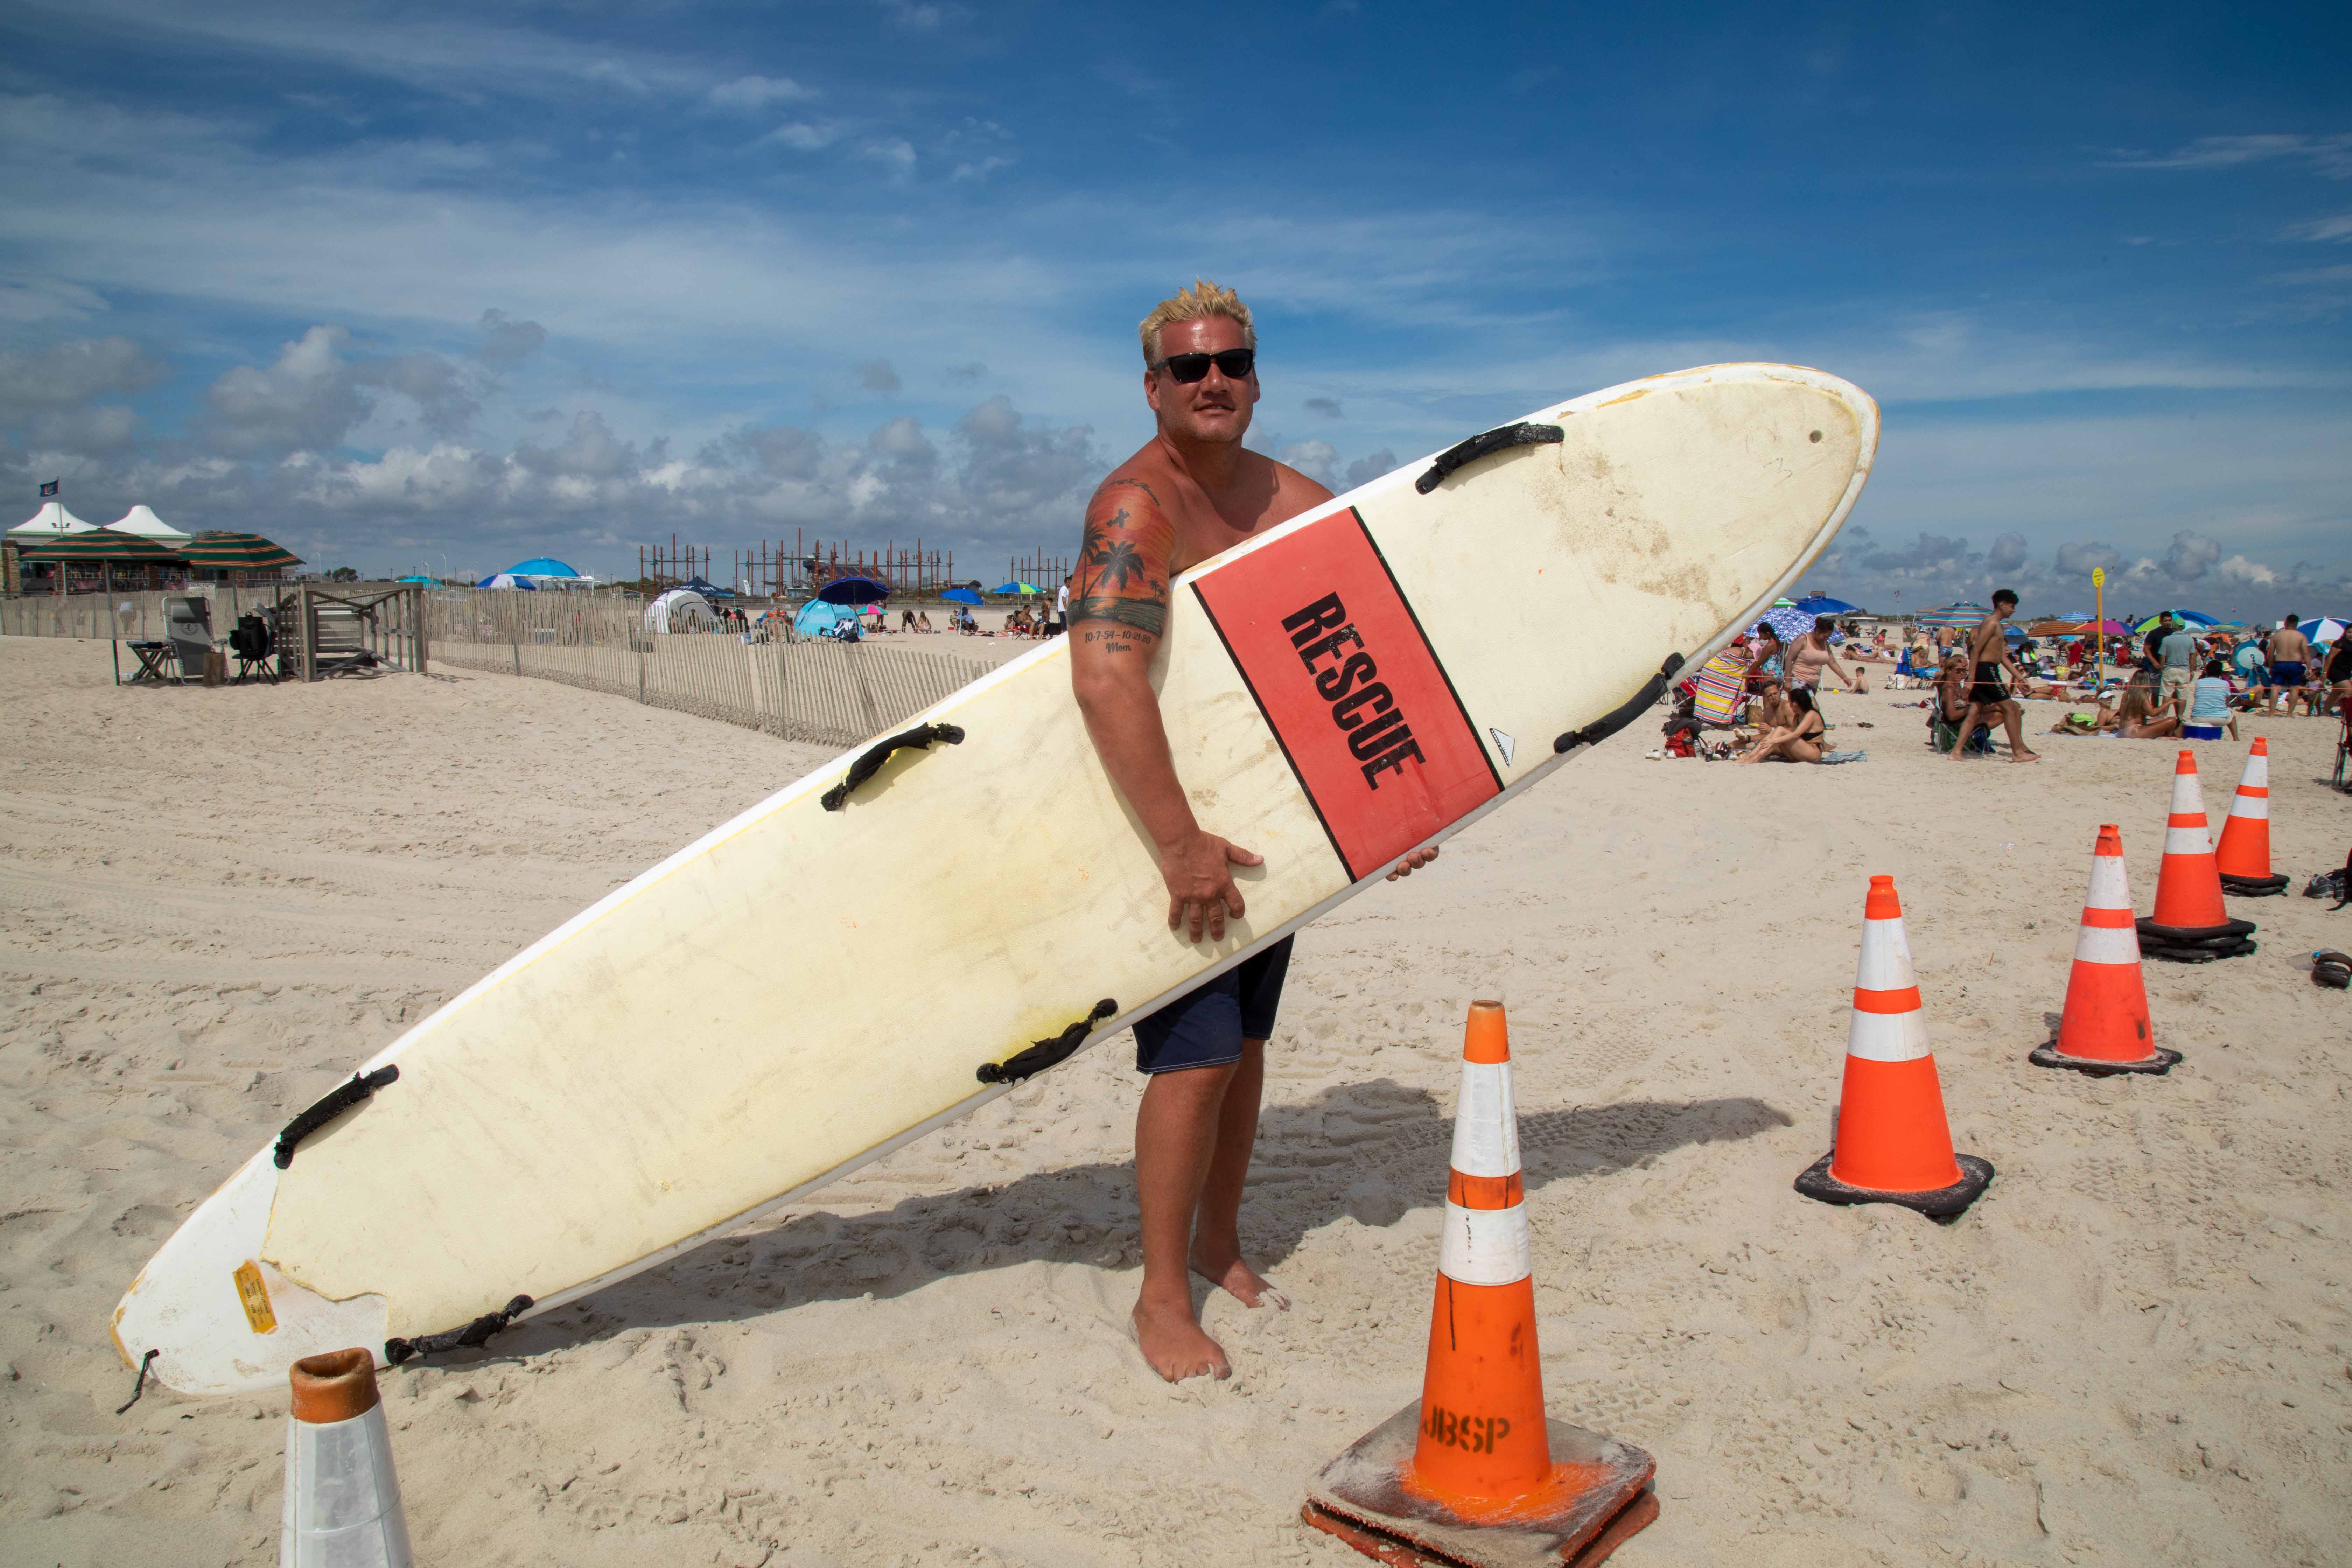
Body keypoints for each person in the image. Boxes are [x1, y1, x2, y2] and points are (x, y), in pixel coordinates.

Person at [1068, 280, 1437, 1384]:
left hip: (1265, 820)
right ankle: (1158, 1294)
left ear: (1256, 375)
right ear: (1153, 387)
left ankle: (1220, 1242)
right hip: (1163, 816)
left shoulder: (1298, 499)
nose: (1213, 380)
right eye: (1188, 368)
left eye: (1230, 361)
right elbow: (1103, 672)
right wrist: (1177, 839)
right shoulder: (1137, 507)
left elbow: (1359, 659)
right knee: (1193, 1056)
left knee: (1246, 1047)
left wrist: (1394, 806)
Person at [1948, 590, 2040, 763]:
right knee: (2010, 708)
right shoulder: (1991, 623)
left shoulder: (1997, 625)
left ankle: (1956, 752)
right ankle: (2018, 752)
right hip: (1986, 670)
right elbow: (1976, 651)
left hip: (1990, 669)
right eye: (2012, 606)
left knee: (1975, 711)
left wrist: (2020, 677)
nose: (2013, 610)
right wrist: (1971, 679)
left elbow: (2002, 657)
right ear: (2002, 604)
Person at [1736, 685, 1827, 763]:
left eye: (1790, 703)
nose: (1789, 705)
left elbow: (1796, 734)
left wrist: (1774, 741)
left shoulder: (1811, 715)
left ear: (1794, 704)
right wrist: (1773, 738)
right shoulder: (1798, 716)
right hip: (1798, 753)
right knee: (1777, 732)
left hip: (1813, 753)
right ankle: (1751, 756)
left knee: (1779, 730)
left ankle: (1755, 758)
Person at [1785, 616, 1868, 696]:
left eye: (1828, 637)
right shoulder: (1803, 639)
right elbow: (1789, 659)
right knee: (1814, 707)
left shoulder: (1825, 644)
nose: (1826, 639)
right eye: (1825, 636)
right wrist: (1788, 681)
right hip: (1799, 680)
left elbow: (1832, 663)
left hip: (1814, 684)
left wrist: (1844, 678)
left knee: (1808, 709)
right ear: (1817, 631)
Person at [2184, 657, 2238, 741]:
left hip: (2197, 718)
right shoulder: (2225, 684)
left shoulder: (2199, 683)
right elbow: (2226, 703)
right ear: (2221, 673)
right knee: (2232, 715)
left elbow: (2197, 697)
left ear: (2207, 671)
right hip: (2219, 719)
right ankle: (2236, 739)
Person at [2265, 615, 2310, 716]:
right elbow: (2306, 653)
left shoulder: (2276, 636)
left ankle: (2271, 713)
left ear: (2286, 623)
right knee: (2295, 688)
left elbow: (2271, 654)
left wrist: (2271, 666)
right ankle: (2290, 714)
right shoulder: (2301, 636)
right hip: (2295, 664)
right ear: (2297, 624)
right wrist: (2310, 668)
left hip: (2280, 663)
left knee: (2275, 688)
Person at [2155, 615, 2198, 719]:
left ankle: (2164, 715)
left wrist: (2162, 667)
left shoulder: (2167, 640)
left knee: (2167, 694)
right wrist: (2192, 670)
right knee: (2183, 695)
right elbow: (2193, 656)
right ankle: (2180, 715)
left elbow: (2163, 656)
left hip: (2170, 669)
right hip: (2184, 670)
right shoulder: (2190, 640)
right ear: (2183, 627)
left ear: (2174, 627)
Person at [2115, 684, 2179, 739]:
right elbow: (2153, 713)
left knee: (2161, 720)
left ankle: (2166, 736)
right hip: (2133, 732)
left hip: (2123, 731)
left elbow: (2122, 711)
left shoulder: (2127, 693)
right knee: (2172, 721)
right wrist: (2169, 703)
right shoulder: (2141, 695)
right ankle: (2168, 737)